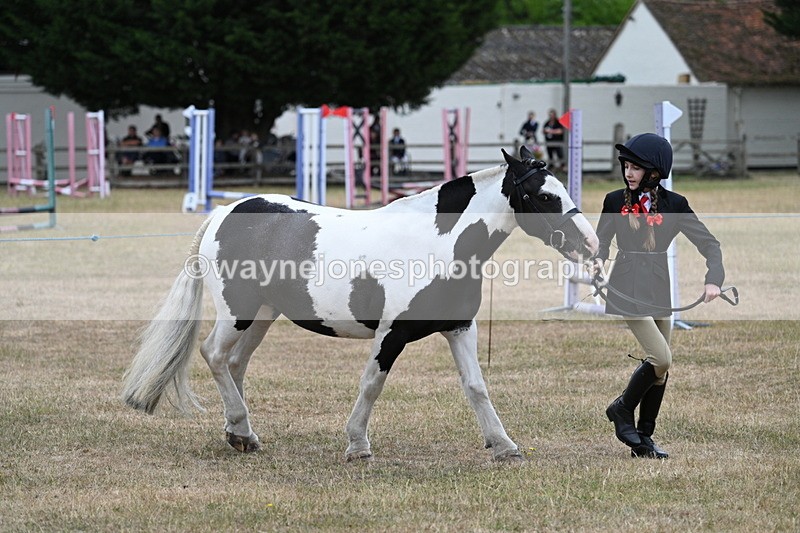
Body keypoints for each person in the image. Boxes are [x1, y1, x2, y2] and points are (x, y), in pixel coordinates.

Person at [591, 133, 725, 459]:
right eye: (626, 166)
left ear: (654, 172)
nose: (629, 172)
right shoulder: (613, 201)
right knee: (661, 358)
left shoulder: (675, 205)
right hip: (625, 287)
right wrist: (596, 261)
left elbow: (709, 244)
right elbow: (602, 242)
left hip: (659, 289)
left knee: (660, 370)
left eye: (636, 167)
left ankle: (644, 438)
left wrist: (713, 280)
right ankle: (622, 408)